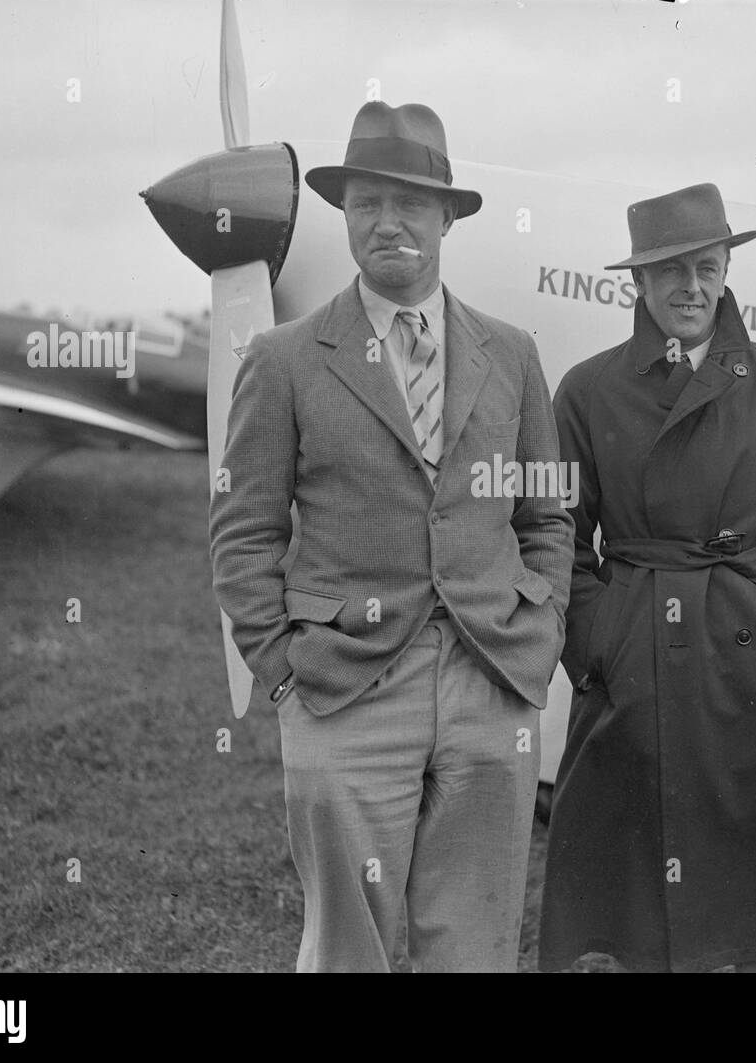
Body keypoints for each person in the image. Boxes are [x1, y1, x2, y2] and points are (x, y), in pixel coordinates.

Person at [210, 101, 573, 972]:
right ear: (345, 216)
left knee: (476, 944)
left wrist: (542, 623)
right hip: (345, 687)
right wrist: (284, 669)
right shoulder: (286, 358)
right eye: (368, 202)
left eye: (411, 203)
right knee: (348, 946)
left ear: (447, 215)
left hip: (493, 679)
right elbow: (243, 529)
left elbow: (546, 513)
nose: (389, 223)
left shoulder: (512, 353)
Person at [538, 183, 756, 972]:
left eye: (705, 266)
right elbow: (557, 537)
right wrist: (601, 642)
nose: (689, 288)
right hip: (639, 669)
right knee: (649, 921)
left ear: (728, 268)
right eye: (668, 272)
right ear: (636, 283)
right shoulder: (589, 391)